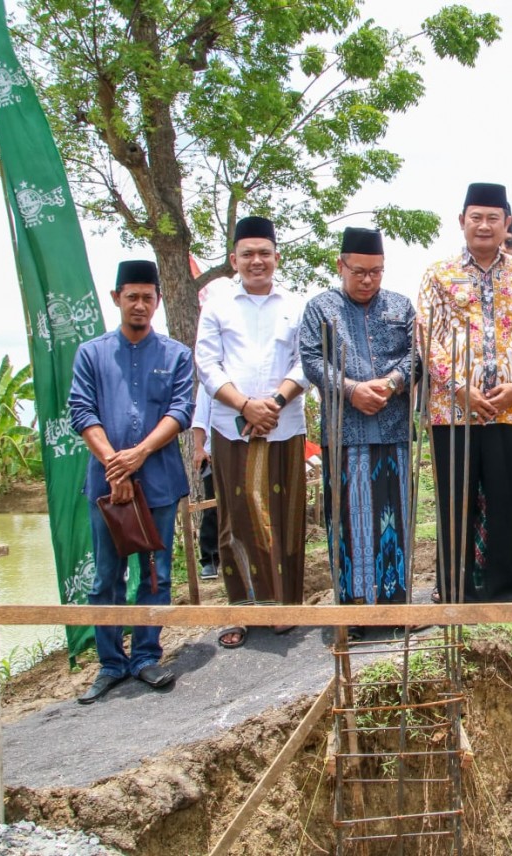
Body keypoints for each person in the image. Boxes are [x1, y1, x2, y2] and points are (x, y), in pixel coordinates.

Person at [417, 182, 512, 603]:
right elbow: (426, 337)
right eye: (476, 217)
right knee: (455, 502)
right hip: (453, 413)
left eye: (494, 218)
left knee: (508, 501)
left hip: (511, 411)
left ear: (506, 223)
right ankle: (455, 589)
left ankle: (506, 590)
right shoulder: (438, 275)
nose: (484, 225)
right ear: (462, 222)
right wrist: (458, 388)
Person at [68, 260, 194, 703]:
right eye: (132, 296)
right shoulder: (92, 353)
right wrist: (112, 465)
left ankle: (145, 656)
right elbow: (82, 412)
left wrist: (139, 454)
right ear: (116, 298)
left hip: (159, 481)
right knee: (106, 576)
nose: (140, 305)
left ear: (158, 301)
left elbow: (180, 412)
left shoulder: (177, 355)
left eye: (148, 297)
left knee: (156, 574)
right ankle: (110, 664)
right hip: (105, 486)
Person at [195, 215, 309, 649]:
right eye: (248, 254)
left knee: (286, 515)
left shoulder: (296, 305)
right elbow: (207, 365)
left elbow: (306, 362)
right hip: (232, 425)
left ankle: (285, 607)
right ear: (233, 259)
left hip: (285, 424)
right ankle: (240, 609)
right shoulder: (218, 305)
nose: (256, 261)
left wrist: (274, 403)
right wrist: (245, 405)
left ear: (276, 257)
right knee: (235, 519)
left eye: (264, 253)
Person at [300, 227, 415, 636]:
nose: (368, 280)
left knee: (396, 518)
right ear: (341, 266)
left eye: (377, 272)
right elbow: (312, 359)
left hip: (394, 428)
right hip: (345, 432)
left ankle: (396, 608)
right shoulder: (320, 309)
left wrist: (391, 384)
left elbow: (417, 354)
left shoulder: (401, 306)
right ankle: (353, 612)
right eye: (359, 272)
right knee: (348, 520)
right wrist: (350, 389)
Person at [190, 388, 219, 579]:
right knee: (213, 507)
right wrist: (199, 448)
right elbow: (200, 417)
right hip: (214, 452)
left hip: (250, 445)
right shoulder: (210, 375)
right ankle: (209, 559)